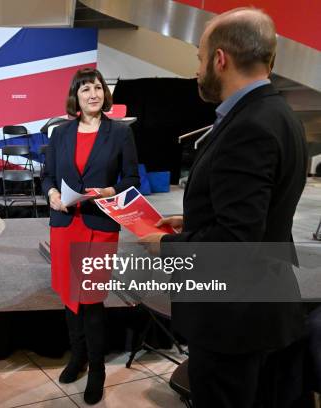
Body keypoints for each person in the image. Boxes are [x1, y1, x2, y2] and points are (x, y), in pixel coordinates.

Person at [139, 8, 308, 408]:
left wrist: (166, 247)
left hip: (233, 321)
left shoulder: (249, 126)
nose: (197, 70)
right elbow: (256, 213)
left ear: (219, 59)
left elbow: (235, 241)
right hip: (262, 308)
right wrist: (193, 219)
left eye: (199, 58)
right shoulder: (281, 114)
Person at [42, 68, 140, 405]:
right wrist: (52, 194)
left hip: (99, 224)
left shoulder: (120, 134)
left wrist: (108, 190)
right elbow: (48, 176)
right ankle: (78, 357)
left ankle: (96, 368)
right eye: (85, 89)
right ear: (76, 97)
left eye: (97, 87)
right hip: (66, 224)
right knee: (70, 296)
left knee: (91, 298)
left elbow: (132, 180)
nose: (93, 94)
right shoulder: (61, 134)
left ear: (104, 93)